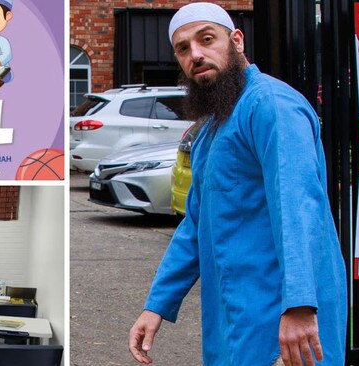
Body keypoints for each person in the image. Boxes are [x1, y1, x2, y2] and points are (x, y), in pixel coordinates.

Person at [128, 3, 347, 366]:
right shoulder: (211, 128)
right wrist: (157, 305)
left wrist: (300, 305)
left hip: (285, 318)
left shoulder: (272, 106)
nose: (195, 54)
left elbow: (298, 209)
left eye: (206, 39)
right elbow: (197, 223)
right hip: (234, 317)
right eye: (183, 49)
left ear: (237, 41)